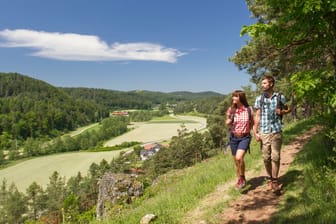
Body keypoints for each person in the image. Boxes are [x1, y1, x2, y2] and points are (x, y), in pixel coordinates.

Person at [253, 75, 290, 193]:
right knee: (266, 157)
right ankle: (269, 179)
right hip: (264, 131)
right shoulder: (260, 99)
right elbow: (257, 116)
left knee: (276, 156)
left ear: (271, 84)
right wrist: (255, 131)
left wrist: (282, 111)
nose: (262, 85)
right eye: (262, 83)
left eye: (264, 83)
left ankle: (275, 181)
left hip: (276, 130)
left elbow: (288, 108)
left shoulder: (280, 97)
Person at [226, 90, 254, 190]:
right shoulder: (231, 109)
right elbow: (227, 122)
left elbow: (252, 122)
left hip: (245, 137)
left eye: (236, 97)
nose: (233, 98)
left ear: (241, 98)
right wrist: (229, 121)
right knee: (236, 161)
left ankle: (241, 178)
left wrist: (248, 131)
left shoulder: (248, 109)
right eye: (233, 96)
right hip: (233, 138)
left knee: (239, 158)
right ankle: (240, 179)